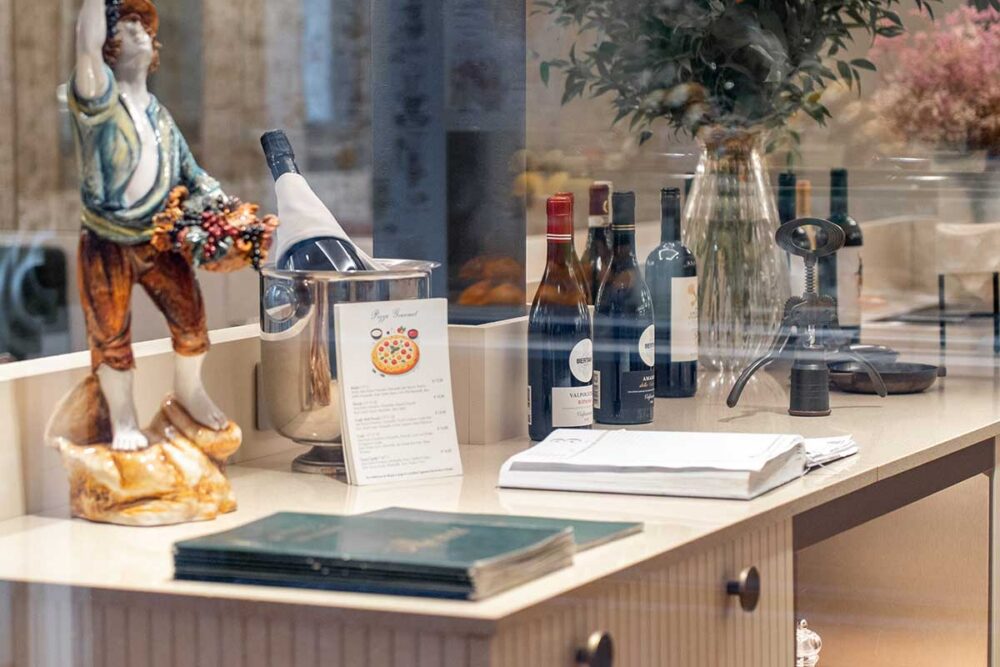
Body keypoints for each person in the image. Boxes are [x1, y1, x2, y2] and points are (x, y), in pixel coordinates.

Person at [70, 0, 227, 451]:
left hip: (159, 237)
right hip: (106, 239)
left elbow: (191, 173)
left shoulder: (160, 116)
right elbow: (85, 46)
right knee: (110, 334)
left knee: (191, 319)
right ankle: (123, 420)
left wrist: (216, 199)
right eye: (127, 24)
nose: (139, 30)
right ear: (110, 43)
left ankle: (189, 391)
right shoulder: (100, 99)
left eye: (144, 26)